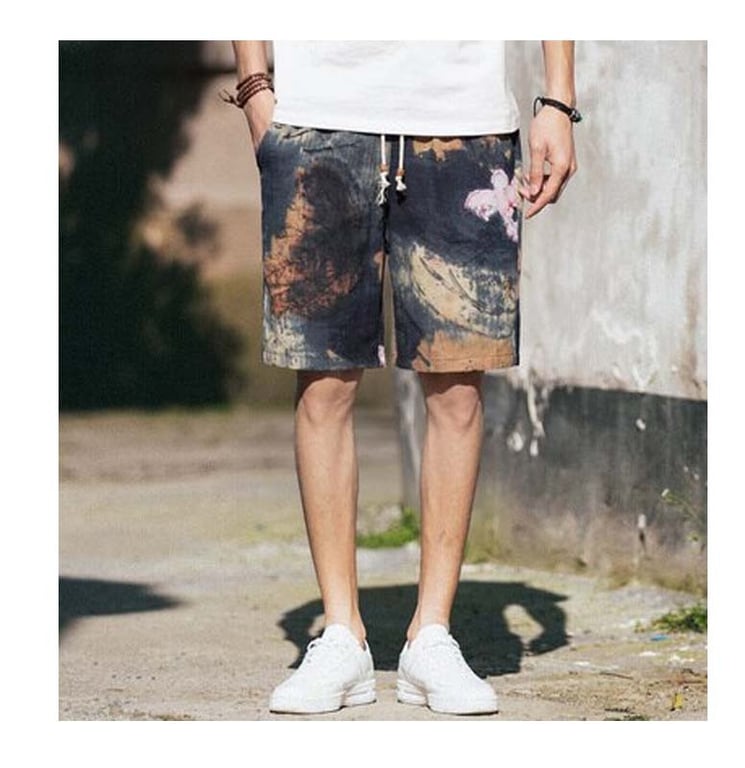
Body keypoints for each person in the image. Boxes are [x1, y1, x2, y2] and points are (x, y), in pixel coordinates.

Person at [229, 40, 578, 716]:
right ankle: (341, 635)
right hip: (319, 115)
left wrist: (559, 100)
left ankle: (432, 636)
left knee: (458, 387)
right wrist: (253, 86)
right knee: (323, 384)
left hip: (465, 118)